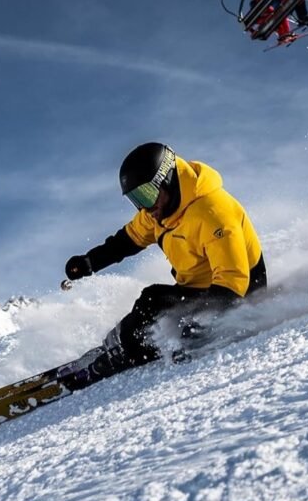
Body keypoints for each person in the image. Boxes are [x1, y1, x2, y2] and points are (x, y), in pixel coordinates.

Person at [62, 142, 267, 385]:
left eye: (147, 194)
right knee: (152, 300)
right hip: (199, 287)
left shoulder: (213, 212)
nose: (146, 208)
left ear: (167, 179)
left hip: (237, 292)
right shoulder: (161, 210)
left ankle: (129, 352)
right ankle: (121, 342)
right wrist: (90, 262)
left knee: (154, 302)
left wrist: (204, 321)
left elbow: (233, 280)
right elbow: (128, 240)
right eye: (136, 199)